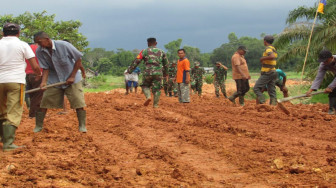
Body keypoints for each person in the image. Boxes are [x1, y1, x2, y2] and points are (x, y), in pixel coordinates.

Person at [33, 31, 87, 133]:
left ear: (47, 39)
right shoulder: (40, 51)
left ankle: (82, 126)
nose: (38, 45)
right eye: (37, 43)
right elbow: (45, 68)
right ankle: (38, 126)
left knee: (78, 102)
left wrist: (72, 76)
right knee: (44, 102)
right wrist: (43, 82)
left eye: (39, 42)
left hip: (72, 79)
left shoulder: (64, 45)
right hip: (54, 80)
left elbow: (78, 59)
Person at [0, 23, 41, 151]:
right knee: (13, 111)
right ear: (18, 33)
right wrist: (38, 74)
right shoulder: (23, 45)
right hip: (15, 81)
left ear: (3, 33)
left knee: (1, 111)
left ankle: (3, 138)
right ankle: (8, 144)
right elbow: (34, 65)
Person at [127, 37, 168, 108]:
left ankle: (148, 96)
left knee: (144, 85)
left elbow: (137, 61)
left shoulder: (144, 51)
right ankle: (155, 105)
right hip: (158, 73)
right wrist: (166, 74)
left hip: (147, 72)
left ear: (148, 43)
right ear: (156, 43)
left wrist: (130, 70)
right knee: (157, 89)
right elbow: (166, 64)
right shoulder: (162, 52)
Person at [306, 49, 336, 114]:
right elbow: (319, 77)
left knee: (332, 88)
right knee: (333, 91)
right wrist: (311, 90)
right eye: (323, 61)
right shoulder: (323, 64)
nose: (325, 62)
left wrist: (330, 87)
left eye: (326, 61)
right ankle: (332, 109)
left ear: (331, 58)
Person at [253, 35, 278, 105]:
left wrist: (262, 58)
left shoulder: (268, 49)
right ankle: (273, 105)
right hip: (273, 71)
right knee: (272, 90)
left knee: (256, 88)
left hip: (268, 72)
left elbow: (272, 56)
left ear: (265, 41)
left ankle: (262, 102)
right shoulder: (273, 48)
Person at [25, 43, 44, 118]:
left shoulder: (27, 48)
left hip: (27, 74)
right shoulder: (39, 49)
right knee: (38, 95)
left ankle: (32, 113)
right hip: (37, 74)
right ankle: (34, 115)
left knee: (32, 95)